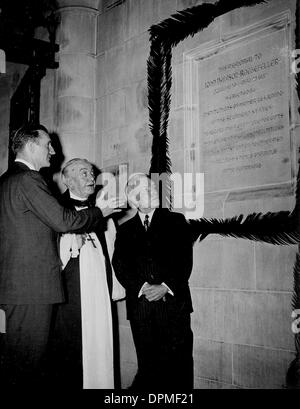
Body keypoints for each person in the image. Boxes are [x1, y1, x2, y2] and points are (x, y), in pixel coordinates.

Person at [0, 124, 121, 387]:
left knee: (21, 365)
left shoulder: (6, 181)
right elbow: (64, 221)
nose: (53, 151)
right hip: (32, 291)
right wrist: (101, 212)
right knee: (27, 368)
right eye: (47, 145)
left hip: (18, 291)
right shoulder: (28, 179)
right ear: (31, 147)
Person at [112, 173, 194, 390]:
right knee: (148, 367)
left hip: (174, 307)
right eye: (146, 190)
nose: (154, 191)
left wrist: (165, 287)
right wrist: (143, 287)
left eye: (152, 187)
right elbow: (119, 265)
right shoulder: (125, 230)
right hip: (141, 308)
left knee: (179, 367)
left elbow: (184, 261)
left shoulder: (176, 221)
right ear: (134, 199)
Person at [49, 158, 125, 389]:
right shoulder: (54, 209)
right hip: (70, 295)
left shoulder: (103, 210)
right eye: (83, 173)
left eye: (92, 173)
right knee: (71, 355)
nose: (91, 178)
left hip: (100, 294)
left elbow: (113, 252)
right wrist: (69, 244)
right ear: (66, 179)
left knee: (101, 351)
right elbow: (45, 253)